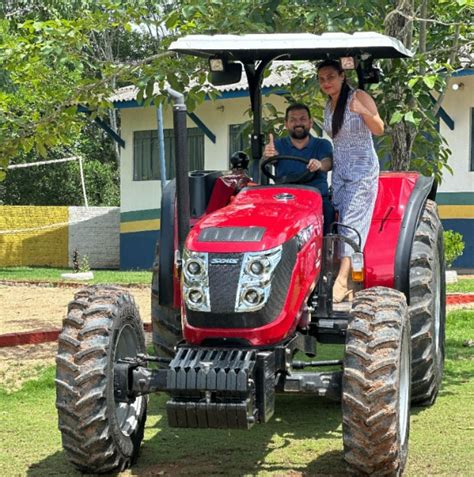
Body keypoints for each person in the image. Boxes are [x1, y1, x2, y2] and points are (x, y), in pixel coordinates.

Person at [317, 59, 384, 303]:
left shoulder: (358, 96)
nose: (327, 82)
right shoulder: (328, 105)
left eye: (331, 77)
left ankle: (343, 280)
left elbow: (379, 128)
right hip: (341, 172)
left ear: (342, 76)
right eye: (322, 79)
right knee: (336, 222)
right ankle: (343, 278)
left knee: (351, 224)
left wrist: (363, 112)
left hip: (362, 171)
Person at [263, 103, 334, 234]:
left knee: (328, 210)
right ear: (286, 124)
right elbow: (266, 163)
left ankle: (326, 250)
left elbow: (328, 162)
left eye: (302, 119)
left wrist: (319, 164)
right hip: (284, 199)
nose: (298, 123)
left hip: (315, 197)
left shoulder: (322, 144)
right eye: (293, 120)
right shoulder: (277, 145)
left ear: (310, 122)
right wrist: (267, 156)